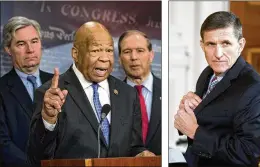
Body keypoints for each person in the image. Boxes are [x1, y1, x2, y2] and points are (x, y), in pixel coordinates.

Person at [27, 21, 154, 166]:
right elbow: (37, 157)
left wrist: (141, 154)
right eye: (95, 51)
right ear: (75, 53)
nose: (104, 58)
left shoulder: (128, 94)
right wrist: (48, 119)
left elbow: (134, 147)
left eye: (109, 51)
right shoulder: (50, 95)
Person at [174, 11, 260, 167]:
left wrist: (194, 131)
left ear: (240, 45)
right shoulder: (207, 74)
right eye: (211, 44)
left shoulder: (255, 89)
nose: (218, 54)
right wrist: (187, 113)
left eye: (226, 43)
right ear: (202, 46)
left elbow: (248, 154)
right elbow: (198, 130)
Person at [0, 16, 53, 167]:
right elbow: (3, 144)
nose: (30, 50)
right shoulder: (2, 89)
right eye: (21, 44)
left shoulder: (59, 84)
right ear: (8, 49)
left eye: (34, 41)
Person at [118, 30, 161, 155]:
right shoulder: (110, 96)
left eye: (140, 51)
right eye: (127, 52)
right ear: (120, 59)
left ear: (151, 56)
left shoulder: (168, 90)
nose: (134, 57)